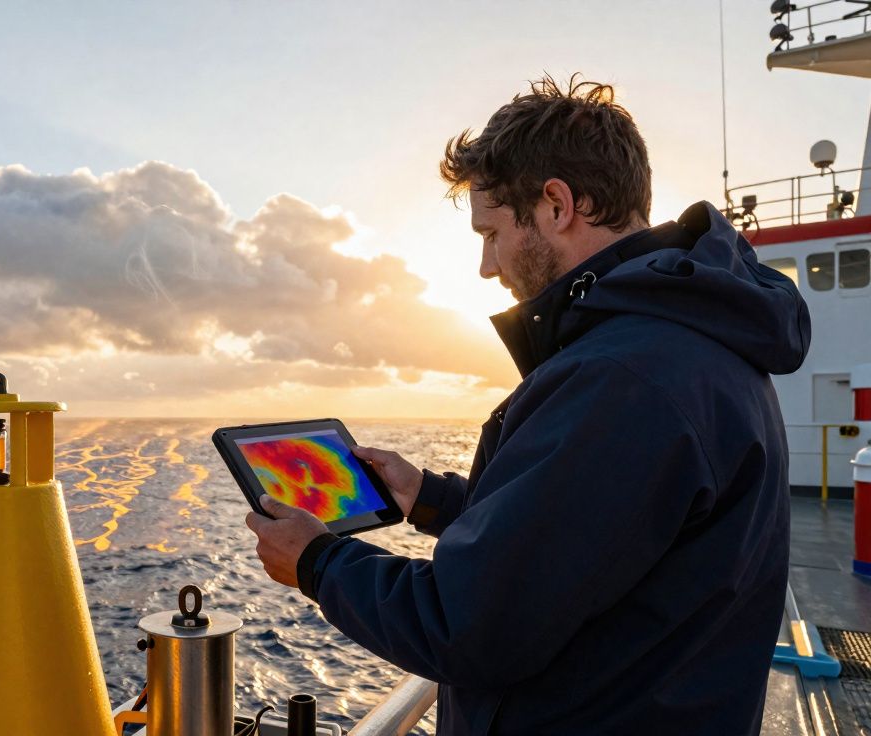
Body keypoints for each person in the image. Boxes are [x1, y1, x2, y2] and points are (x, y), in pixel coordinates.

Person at [245, 75, 810, 735]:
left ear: (556, 205)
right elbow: (594, 537)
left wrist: (317, 562)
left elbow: (467, 627)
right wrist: (428, 496)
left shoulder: (622, 377)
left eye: (491, 233)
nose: (488, 265)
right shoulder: (691, 343)